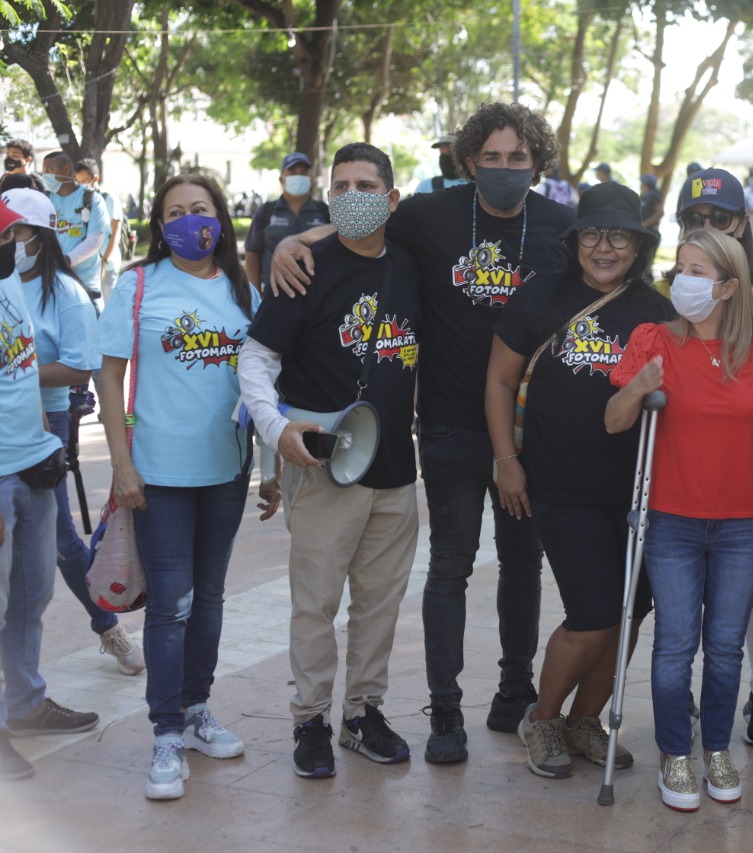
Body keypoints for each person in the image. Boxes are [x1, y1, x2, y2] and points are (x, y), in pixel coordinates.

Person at [269, 102, 575, 764]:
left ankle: (514, 693)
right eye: (489, 157)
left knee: (523, 562)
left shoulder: (560, 224)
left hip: (530, 431)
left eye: (516, 158)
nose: (502, 169)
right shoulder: (434, 214)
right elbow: (361, 219)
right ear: (468, 161)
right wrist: (297, 239)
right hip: (448, 424)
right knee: (451, 564)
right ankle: (444, 710)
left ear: (537, 163)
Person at [605, 227, 753, 812]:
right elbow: (615, 421)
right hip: (671, 519)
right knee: (675, 644)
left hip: (745, 523)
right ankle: (675, 753)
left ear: (726, 286)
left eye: (697, 271)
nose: (682, 280)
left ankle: (715, 747)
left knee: (724, 645)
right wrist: (640, 386)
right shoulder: (654, 342)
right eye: (679, 267)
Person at [240, 143, 419, 779]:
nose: (352, 196)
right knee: (315, 603)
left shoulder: (412, 260)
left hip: (396, 466)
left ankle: (363, 713)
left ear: (392, 198)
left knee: (380, 603)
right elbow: (256, 358)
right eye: (339, 187)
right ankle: (309, 720)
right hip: (322, 466)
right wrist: (276, 428)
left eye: (366, 185)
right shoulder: (305, 267)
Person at [486, 183, 672, 778]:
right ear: (575, 241)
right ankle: (541, 720)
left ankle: (584, 720)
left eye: (619, 235)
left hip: (639, 491)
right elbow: (497, 383)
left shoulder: (655, 311)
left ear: (638, 245)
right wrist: (506, 459)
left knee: (633, 610)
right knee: (594, 614)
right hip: (561, 487)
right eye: (592, 233)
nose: (604, 247)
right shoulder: (540, 298)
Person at [96, 173, 261, 800]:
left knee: (211, 595)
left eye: (201, 209)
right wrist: (122, 462)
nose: (190, 220)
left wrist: (267, 472)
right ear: (159, 225)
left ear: (220, 217)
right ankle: (165, 732)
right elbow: (110, 380)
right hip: (158, 473)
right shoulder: (138, 286)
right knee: (172, 604)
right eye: (175, 212)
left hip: (228, 469)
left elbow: (260, 383)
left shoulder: (245, 292)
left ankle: (196, 712)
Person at [1, 187, 143, 675]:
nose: (8, 240)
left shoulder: (65, 293)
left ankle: (107, 625)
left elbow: (80, 368)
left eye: (15, 231)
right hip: (6, 423)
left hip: (47, 425)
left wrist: (14, 373)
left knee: (59, 539)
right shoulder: (4, 283)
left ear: (39, 236)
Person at [0, 197, 101, 782]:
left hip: (32, 459)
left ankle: (27, 705)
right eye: (9, 234)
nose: (15, 243)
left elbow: (20, 374)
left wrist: (44, 441)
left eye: (18, 233)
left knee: (30, 595)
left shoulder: (14, 281)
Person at [243, 152, 330, 290]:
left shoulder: (325, 211)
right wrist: (255, 294)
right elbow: (252, 253)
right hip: (274, 294)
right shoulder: (266, 211)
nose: (298, 176)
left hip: (319, 294)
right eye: (292, 172)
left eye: (303, 172)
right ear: (281, 179)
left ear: (311, 178)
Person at [41, 151, 110, 309]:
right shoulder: (46, 200)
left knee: (94, 328)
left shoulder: (92, 200)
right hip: (55, 283)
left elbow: (95, 240)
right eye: (44, 171)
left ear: (66, 169)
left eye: (49, 170)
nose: (45, 175)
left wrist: (66, 261)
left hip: (86, 284)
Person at [74, 158, 125, 303]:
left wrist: (104, 261)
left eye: (84, 180)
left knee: (108, 306)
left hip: (107, 265)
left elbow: (115, 234)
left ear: (95, 178)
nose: (81, 185)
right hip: (88, 265)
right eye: (78, 181)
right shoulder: (80, 199)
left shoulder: (108, 198)